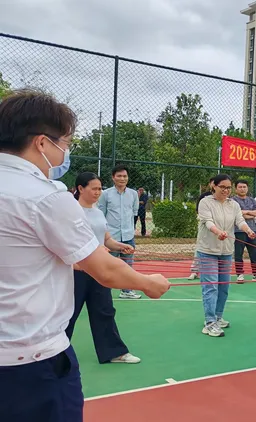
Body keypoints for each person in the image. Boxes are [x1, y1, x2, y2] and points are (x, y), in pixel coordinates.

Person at [0, 89, 170, 421]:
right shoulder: (46, 197)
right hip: (32, 364)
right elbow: (105, 269)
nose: (65, 152)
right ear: (42, 143)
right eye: (65, 143)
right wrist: (148, 283)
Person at [67, 172, 140, 364]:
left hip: (98, 271)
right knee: (67, 314)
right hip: (76, 272)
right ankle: (54, 354)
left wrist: (120, 246)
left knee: (104, 310)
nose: (98, 192)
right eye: (94, 188)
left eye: (100, 188)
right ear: (80, 188)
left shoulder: (98, 212)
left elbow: (106, 239)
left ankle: (114, 352)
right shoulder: (71, 211)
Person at [196, 174, 256, 337]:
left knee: (224, 287)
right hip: (207, 250)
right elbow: (208, 222)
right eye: (222, 187)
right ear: (214, 186)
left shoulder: (233, 204)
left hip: (226, 251)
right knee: (210, 286)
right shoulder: (205, 202)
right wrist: (218, 232)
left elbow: (240, 221)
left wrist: (248, 230)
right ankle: (209, 322)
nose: (226, 190)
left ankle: (218, 317)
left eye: (228, 188)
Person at [99, 165, 141, 299]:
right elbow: (101, 214)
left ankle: (127, 291)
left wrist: (131, 230)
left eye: (125, 176)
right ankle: (102, 292)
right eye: (119, 176)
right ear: (113, 177)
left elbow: (134, 213)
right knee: (107, 266)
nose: (122, 179)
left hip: (128, 236)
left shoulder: (133, 194)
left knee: (128, 266)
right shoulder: (105, 194)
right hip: (111, 238)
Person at [232, 180, 256, 283]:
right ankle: (239, 274)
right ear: (236, 189)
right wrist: (251, 214)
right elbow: (236, 213)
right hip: (238, 230)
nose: (242, 189)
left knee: (254, 253)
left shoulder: (252, 200)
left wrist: (246, 213)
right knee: (238, 253)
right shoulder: (232, 201)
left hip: (252, 230)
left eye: (244, 187)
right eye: (240, 187)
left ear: (247, 188)